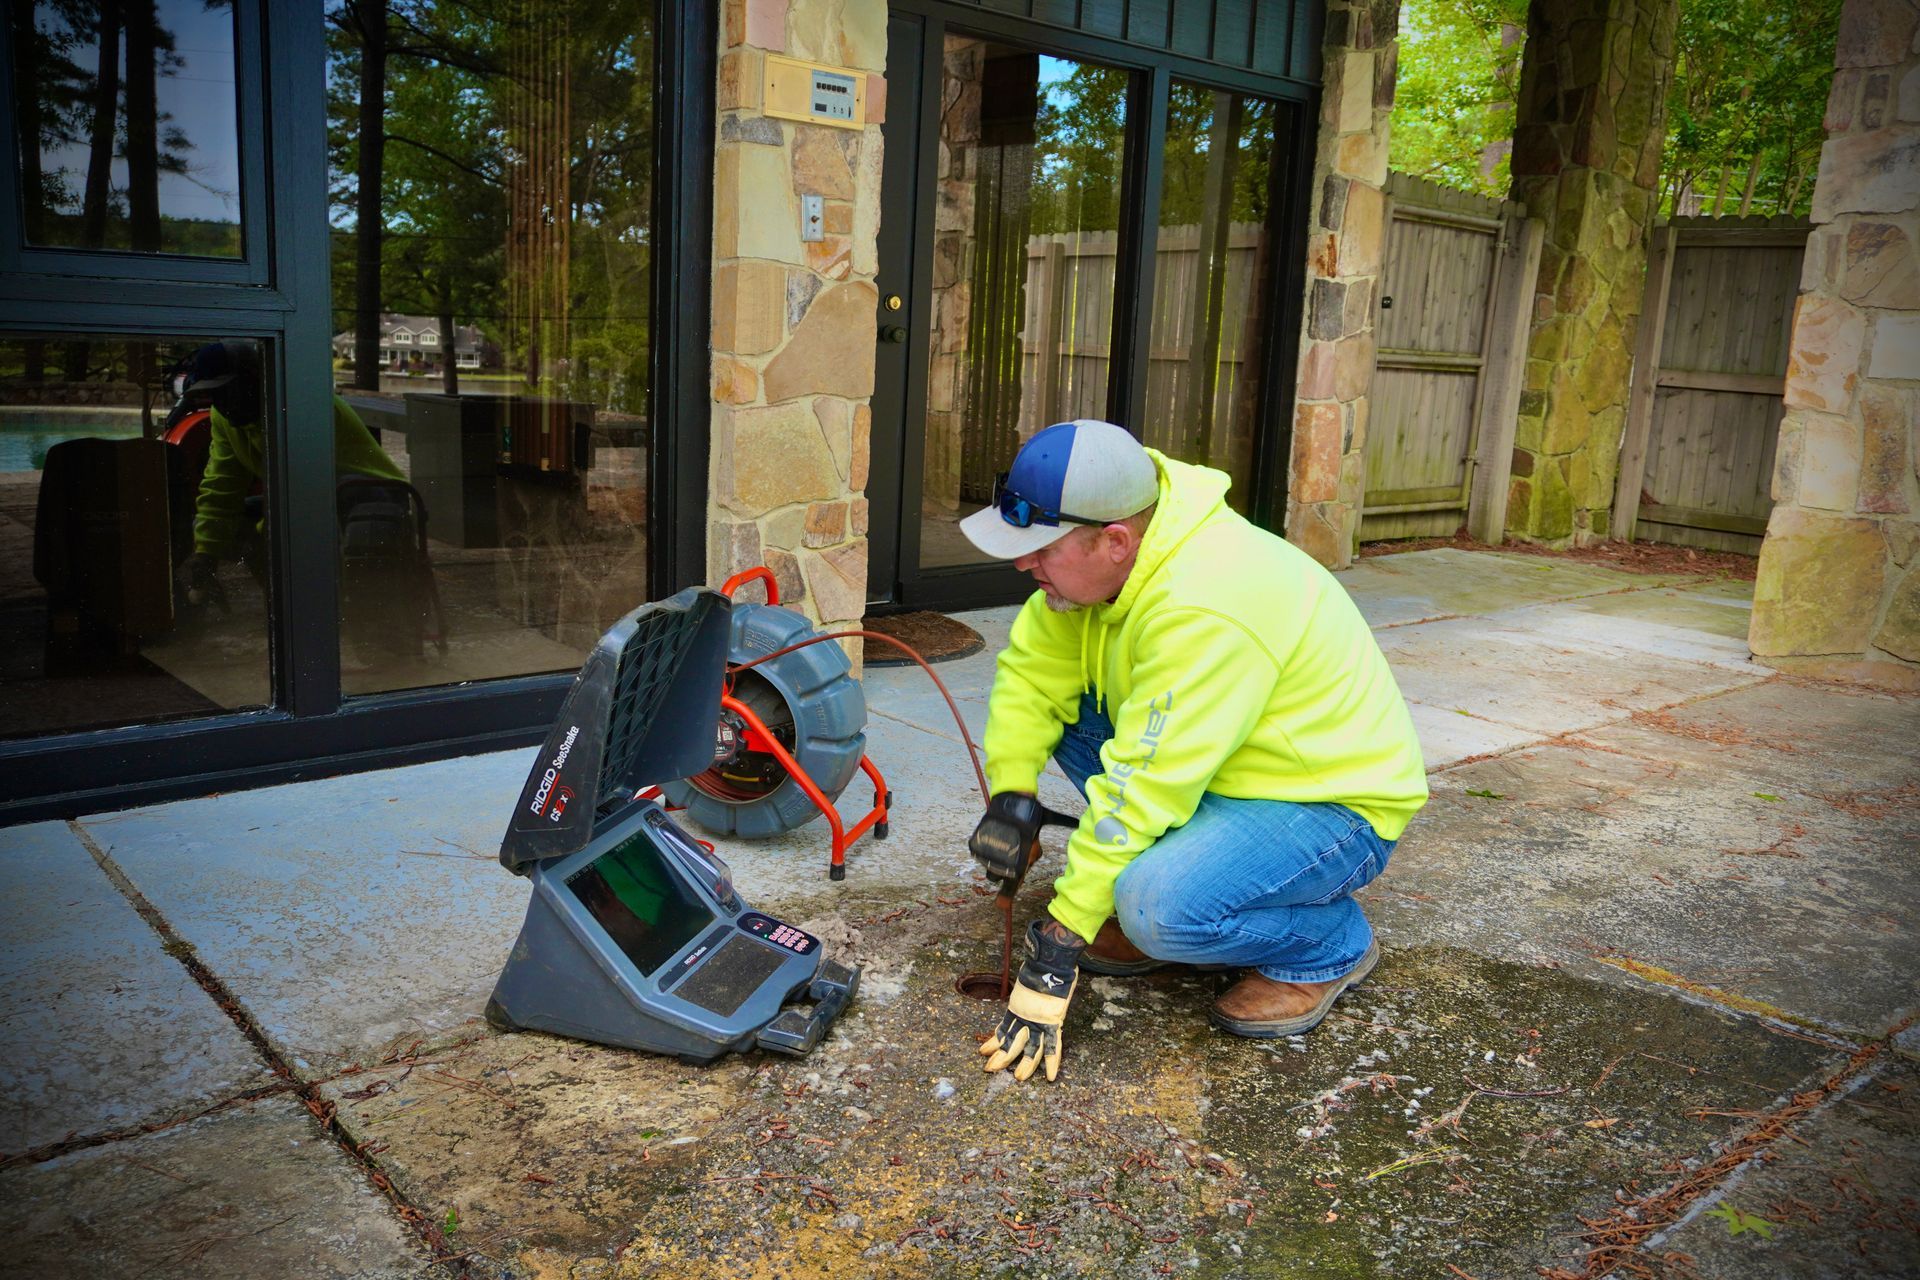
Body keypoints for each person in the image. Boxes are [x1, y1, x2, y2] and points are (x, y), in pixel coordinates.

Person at [963, 419, 1428, 1084]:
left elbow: (1143, 785)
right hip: (1220, 766)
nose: (1022, 564)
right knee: (1063, 719)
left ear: (1116, 540)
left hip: (1326, 805)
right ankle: (1172, 885)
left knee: (1161, 909)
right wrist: (1013, 796)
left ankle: (1329, 946)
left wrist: (1059, 944)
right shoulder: (1097, 579)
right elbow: (1032, 678)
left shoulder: (1209, 603)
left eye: (1043, 550)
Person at [174, 341, 406, 598]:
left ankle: (357, 611)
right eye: (213, 395)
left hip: (372, 492)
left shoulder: (301, 406)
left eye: (227, 391)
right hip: (309, 495)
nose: (222, 403)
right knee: (244, 525)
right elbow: (222, 485)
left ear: (254, 380)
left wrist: (265, 536)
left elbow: (304, 483)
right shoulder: (224, 418)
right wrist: (206, 554)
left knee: (342, 522)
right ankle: (289, 601)